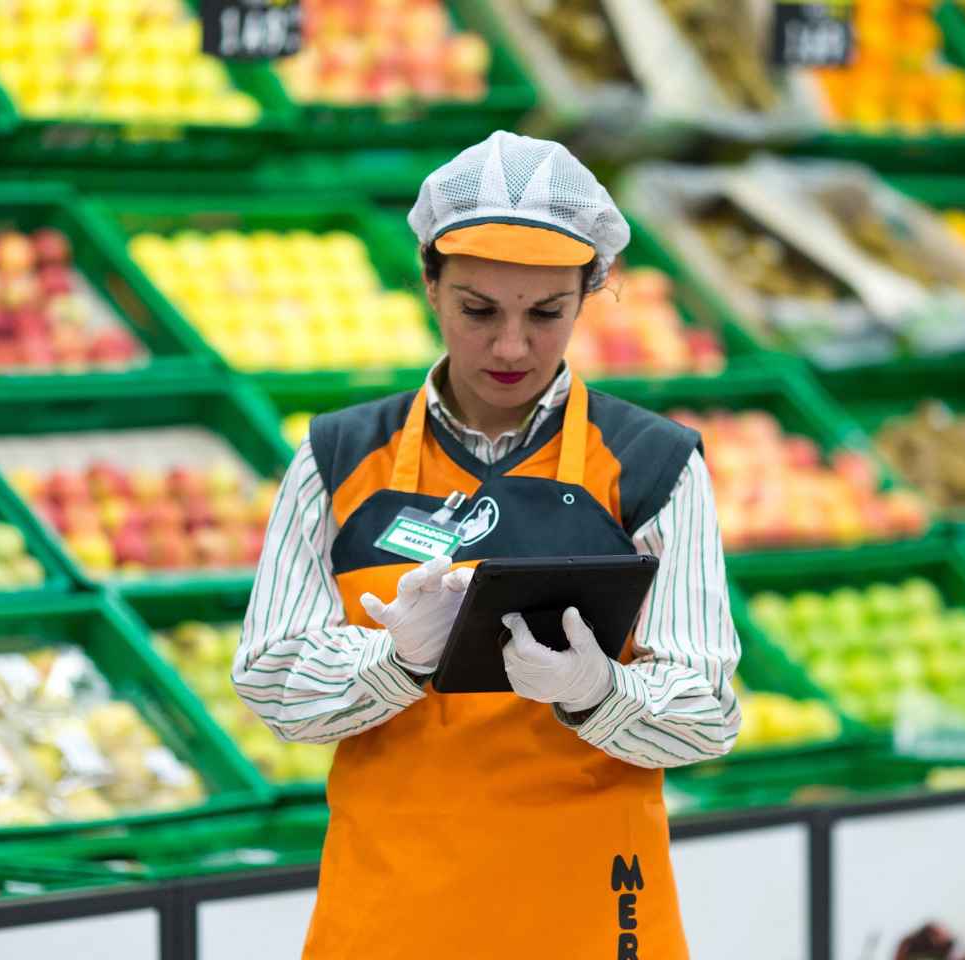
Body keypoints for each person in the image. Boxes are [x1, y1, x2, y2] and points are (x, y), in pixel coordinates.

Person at [234, 130, 741, 959]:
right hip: (391, 914)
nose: (511, 347)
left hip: (588, 911)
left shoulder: (655, 466)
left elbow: (706, 716)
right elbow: (272, 681)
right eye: (479, 310)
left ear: (592, 291)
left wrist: (597, 691)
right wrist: (393, 664)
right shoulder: (336, 457)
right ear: (429, 284)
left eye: (547, 314)